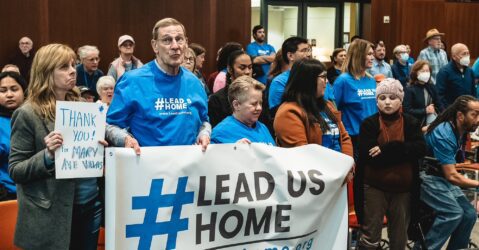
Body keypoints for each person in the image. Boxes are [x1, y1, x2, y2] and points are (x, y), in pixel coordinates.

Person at [9, 43, 104, 250]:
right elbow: (16, 170)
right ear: (45, 72)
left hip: (90, 205)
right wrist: (48, 154)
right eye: (63, 67)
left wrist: (98, 146)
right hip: (51, 211)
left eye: (73, 65)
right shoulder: (27, 113)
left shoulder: (81, 105)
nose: (72, 71)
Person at [106, 18, 210, 153]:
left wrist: (204, 134)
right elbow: (109, 125)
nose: (175, 46)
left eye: (179, 39)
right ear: (155, 46)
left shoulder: (195, 82)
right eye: (167, 40)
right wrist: (125, 139)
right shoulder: (132, 81)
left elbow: (204, 121)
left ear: (186, 43)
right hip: (147, 168)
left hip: (188, 169)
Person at [355, 78, 426, 250]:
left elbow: (419, 149)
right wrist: (403, 152)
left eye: (392, 98)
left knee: (399, 238)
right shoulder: (369, 124)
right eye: (382, 97)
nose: (387, 102)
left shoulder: (411, 123)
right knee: (370, 238)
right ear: (377, 101)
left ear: (400, 100)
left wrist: (387, 149)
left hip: (403, 190)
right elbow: (371, 157)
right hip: (373, 187)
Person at [417, 95, 479, 249]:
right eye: (475, 114)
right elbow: (451, 176)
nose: (478, 119)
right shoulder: (444, 133)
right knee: (453, 213)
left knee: (469, 214)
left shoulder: (457, 127)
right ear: (460, 115)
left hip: (440, 176)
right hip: (425, 177)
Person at [274, 58, 353, 159]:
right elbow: (302, 154)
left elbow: (344, 138)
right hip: (317, 171)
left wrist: (348, 165)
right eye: (323, 77)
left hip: (340, 169)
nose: (327, 81)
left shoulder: (328, 105)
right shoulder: (289, 112)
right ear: (308, 80)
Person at [333, 39, 377, 160]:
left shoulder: (371, 80)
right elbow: (333, 110)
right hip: (353, 137)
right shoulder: (343, 80)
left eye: (372, 54)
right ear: (358, 55)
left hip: (372, 135)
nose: (372, 57)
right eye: (369, 54)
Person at [211, 75, 275, 145]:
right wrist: (233, 151)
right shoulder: (220, 133)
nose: (259, 108)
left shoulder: (262, 127)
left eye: (260, 103)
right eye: (254, 104)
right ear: (236, 105)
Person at [209, 50, 253, 127]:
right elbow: (216, 131)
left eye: (250, 67)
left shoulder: (258, 94)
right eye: (242, 68)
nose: (247, 72)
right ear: (229, 69)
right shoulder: (217, 99)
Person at [0, 71, 26, 201]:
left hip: (35, 191)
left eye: (14, 89)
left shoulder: (34, 116)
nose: (9, 94)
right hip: (6, 192)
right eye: (3, 90)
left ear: (23, 91)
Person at [268, 36, 310, 112]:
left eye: (308, 50)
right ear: (290, 56)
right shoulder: (279, 81)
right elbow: (277, 113)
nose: (308, 54)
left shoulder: (316, 77)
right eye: (303, 51)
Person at [403, 60, 444, 128]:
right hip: (415, 124)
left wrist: (445, 116)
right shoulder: (409, 89)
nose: (426, 73)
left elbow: (439, 104)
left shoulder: (431, 86)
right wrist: (425, 111)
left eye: (427, 71)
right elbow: (406, 110)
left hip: (431, 121)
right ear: (415, 73)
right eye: (422, 71)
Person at [436, 43, 475, 108]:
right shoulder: (444, 72)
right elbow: (439, 95)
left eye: (468, 53)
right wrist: (447, 111)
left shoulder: (470, 71)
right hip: (451, 110)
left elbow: (473, 92)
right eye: (463, 54)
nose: (467, 56)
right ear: (454, 57)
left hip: (468, 109)